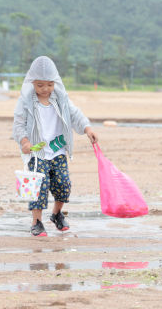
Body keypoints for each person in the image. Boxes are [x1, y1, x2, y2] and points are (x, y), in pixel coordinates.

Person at [12, 56, 99, 237]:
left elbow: (75, 114)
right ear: (32, 83)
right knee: (39, 186)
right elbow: (19, 124)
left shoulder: (60, 98)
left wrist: (87, 128)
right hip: (38, 151)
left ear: (56, 82)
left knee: (63, 184)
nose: (45, 89)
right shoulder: (26, 101)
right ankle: (36, 222)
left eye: (49, 85)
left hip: (58, 149)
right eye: (40, 85)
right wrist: (24, 142)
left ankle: (56, 214)